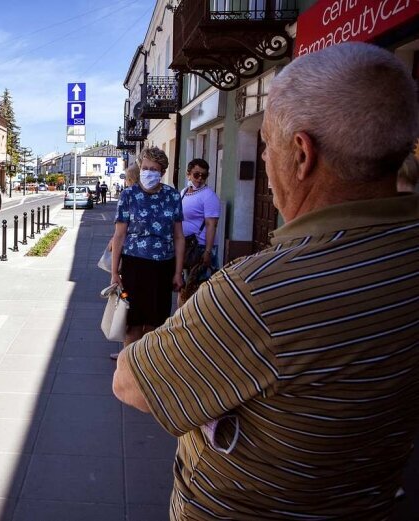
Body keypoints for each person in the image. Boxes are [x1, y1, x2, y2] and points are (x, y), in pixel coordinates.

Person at [113, 42, 419, 521]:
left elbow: (131, 383)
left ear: (301, 154)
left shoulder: (259, 293)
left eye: (268, 141)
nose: (262, 154)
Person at [109, 148, 184, 361]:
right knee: (132, 321)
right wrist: (115, 272)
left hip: (162, 267)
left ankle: (148, 368)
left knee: (155, 322)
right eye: (145, 168)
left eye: (154, 169)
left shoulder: (171, 196)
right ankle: (128, 368)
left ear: (162, 172)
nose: (149, 172)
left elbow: (179, 237)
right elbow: (119, 236)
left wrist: (178, 272)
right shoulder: (129, 195)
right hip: (134, 266)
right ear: (140, 168)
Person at [179, 158, 220, 304]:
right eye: (197, 175)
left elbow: (211, 225)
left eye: (204, 175)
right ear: (188, 174)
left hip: (201, 248)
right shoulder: (184, 192)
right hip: (187, 247)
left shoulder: (208, 196)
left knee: (197, 292)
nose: (200, 179)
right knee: (183, 289)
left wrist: (208, 252)